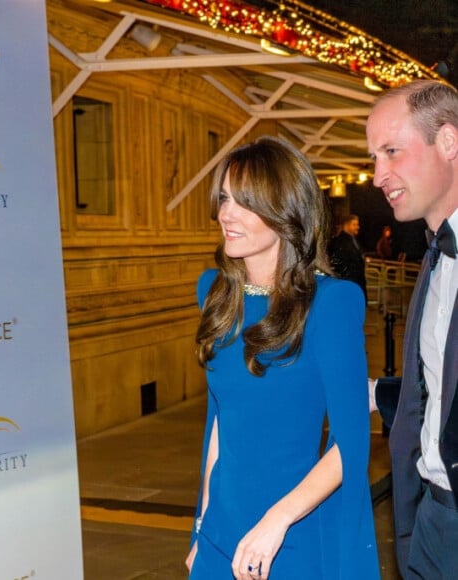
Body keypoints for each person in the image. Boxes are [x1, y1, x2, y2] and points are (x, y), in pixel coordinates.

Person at [185, 136, 379, 579]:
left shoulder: (332, 304)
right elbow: (219, 422)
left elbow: (351, 444)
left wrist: (277, 521)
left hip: (290, 532)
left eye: (245, 203)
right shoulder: (213, 293)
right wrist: (202, 523)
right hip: (221, 529)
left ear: (286, 213)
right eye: (224, 199)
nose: (225, 215)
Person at [367, 79, 458, 579]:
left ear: (448, 142)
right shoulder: (434, 257)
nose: (378, 175)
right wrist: (375, 392)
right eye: (374, 158)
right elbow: (444, 390)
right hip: (428, 520)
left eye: (391, 152)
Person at [328, 214, 368, 301]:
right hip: (349, 286)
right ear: (347, 225)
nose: (358, 227)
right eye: (354, 224)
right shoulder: (341, 242)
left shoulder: (352, 240)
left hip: (355, 285)